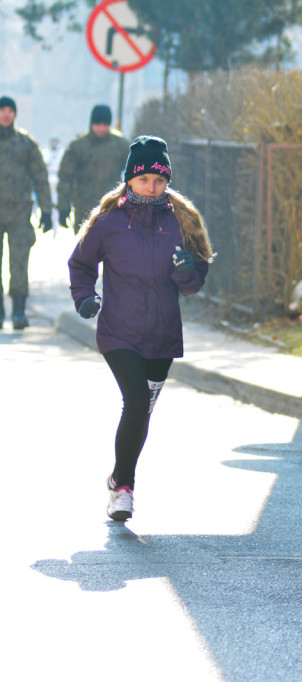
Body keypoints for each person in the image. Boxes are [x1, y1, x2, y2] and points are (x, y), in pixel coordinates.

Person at [68, 136, 214, 521]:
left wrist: (186, 273)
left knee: (140, 413)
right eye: (145, 179)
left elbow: (197, 278)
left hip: (162, 335)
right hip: (119, 331)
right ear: (130, 179)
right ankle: (124, 490)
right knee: (135, 402)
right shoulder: (108, 221)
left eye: (160, 180)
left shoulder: (181, 221)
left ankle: (118, 475)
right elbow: (81, 264)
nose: (152, 187)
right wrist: (84, 297)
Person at [0, 95, 54, 330]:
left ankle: (19, 311)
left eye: (10, 110)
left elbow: (40, 177)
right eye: (2, 110)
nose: (6, 114)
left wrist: (46, 210)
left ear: (15, 114)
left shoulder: (26, 144)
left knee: (19, 264)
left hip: (20, 213)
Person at [57, 104, 130, 233]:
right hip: (84, 210)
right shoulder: (78, 146)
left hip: (113, 208)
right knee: (85, 250)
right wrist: (64, 206)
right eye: (98, 124)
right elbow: (65, 177)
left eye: (105, 124)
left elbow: (133, 174)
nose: (101, 128)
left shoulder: (120, 146)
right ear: (92, 123)